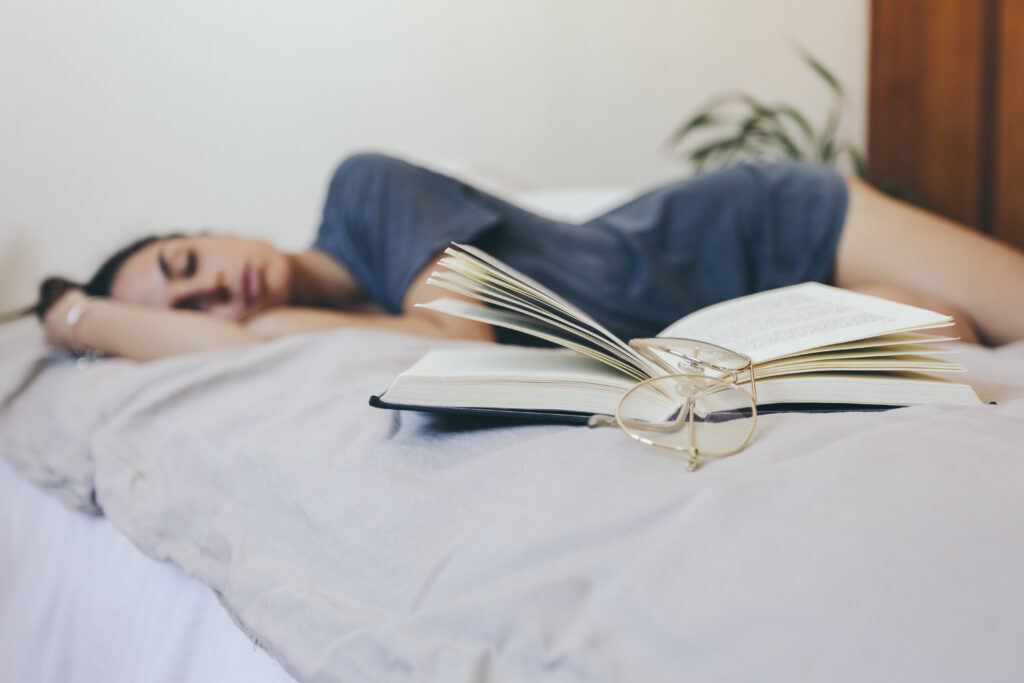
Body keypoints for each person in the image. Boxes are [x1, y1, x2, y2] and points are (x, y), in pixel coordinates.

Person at [30, 152, 1024, 361]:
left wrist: (275, 323)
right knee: (955, 341)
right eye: (192, 310)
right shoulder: (343, 333)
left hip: (762, 228)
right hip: (744, 320)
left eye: (186, 259)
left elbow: (458, 339)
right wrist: (88, 322)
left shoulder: (362, 191)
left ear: (213, 225)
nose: (217, 288)